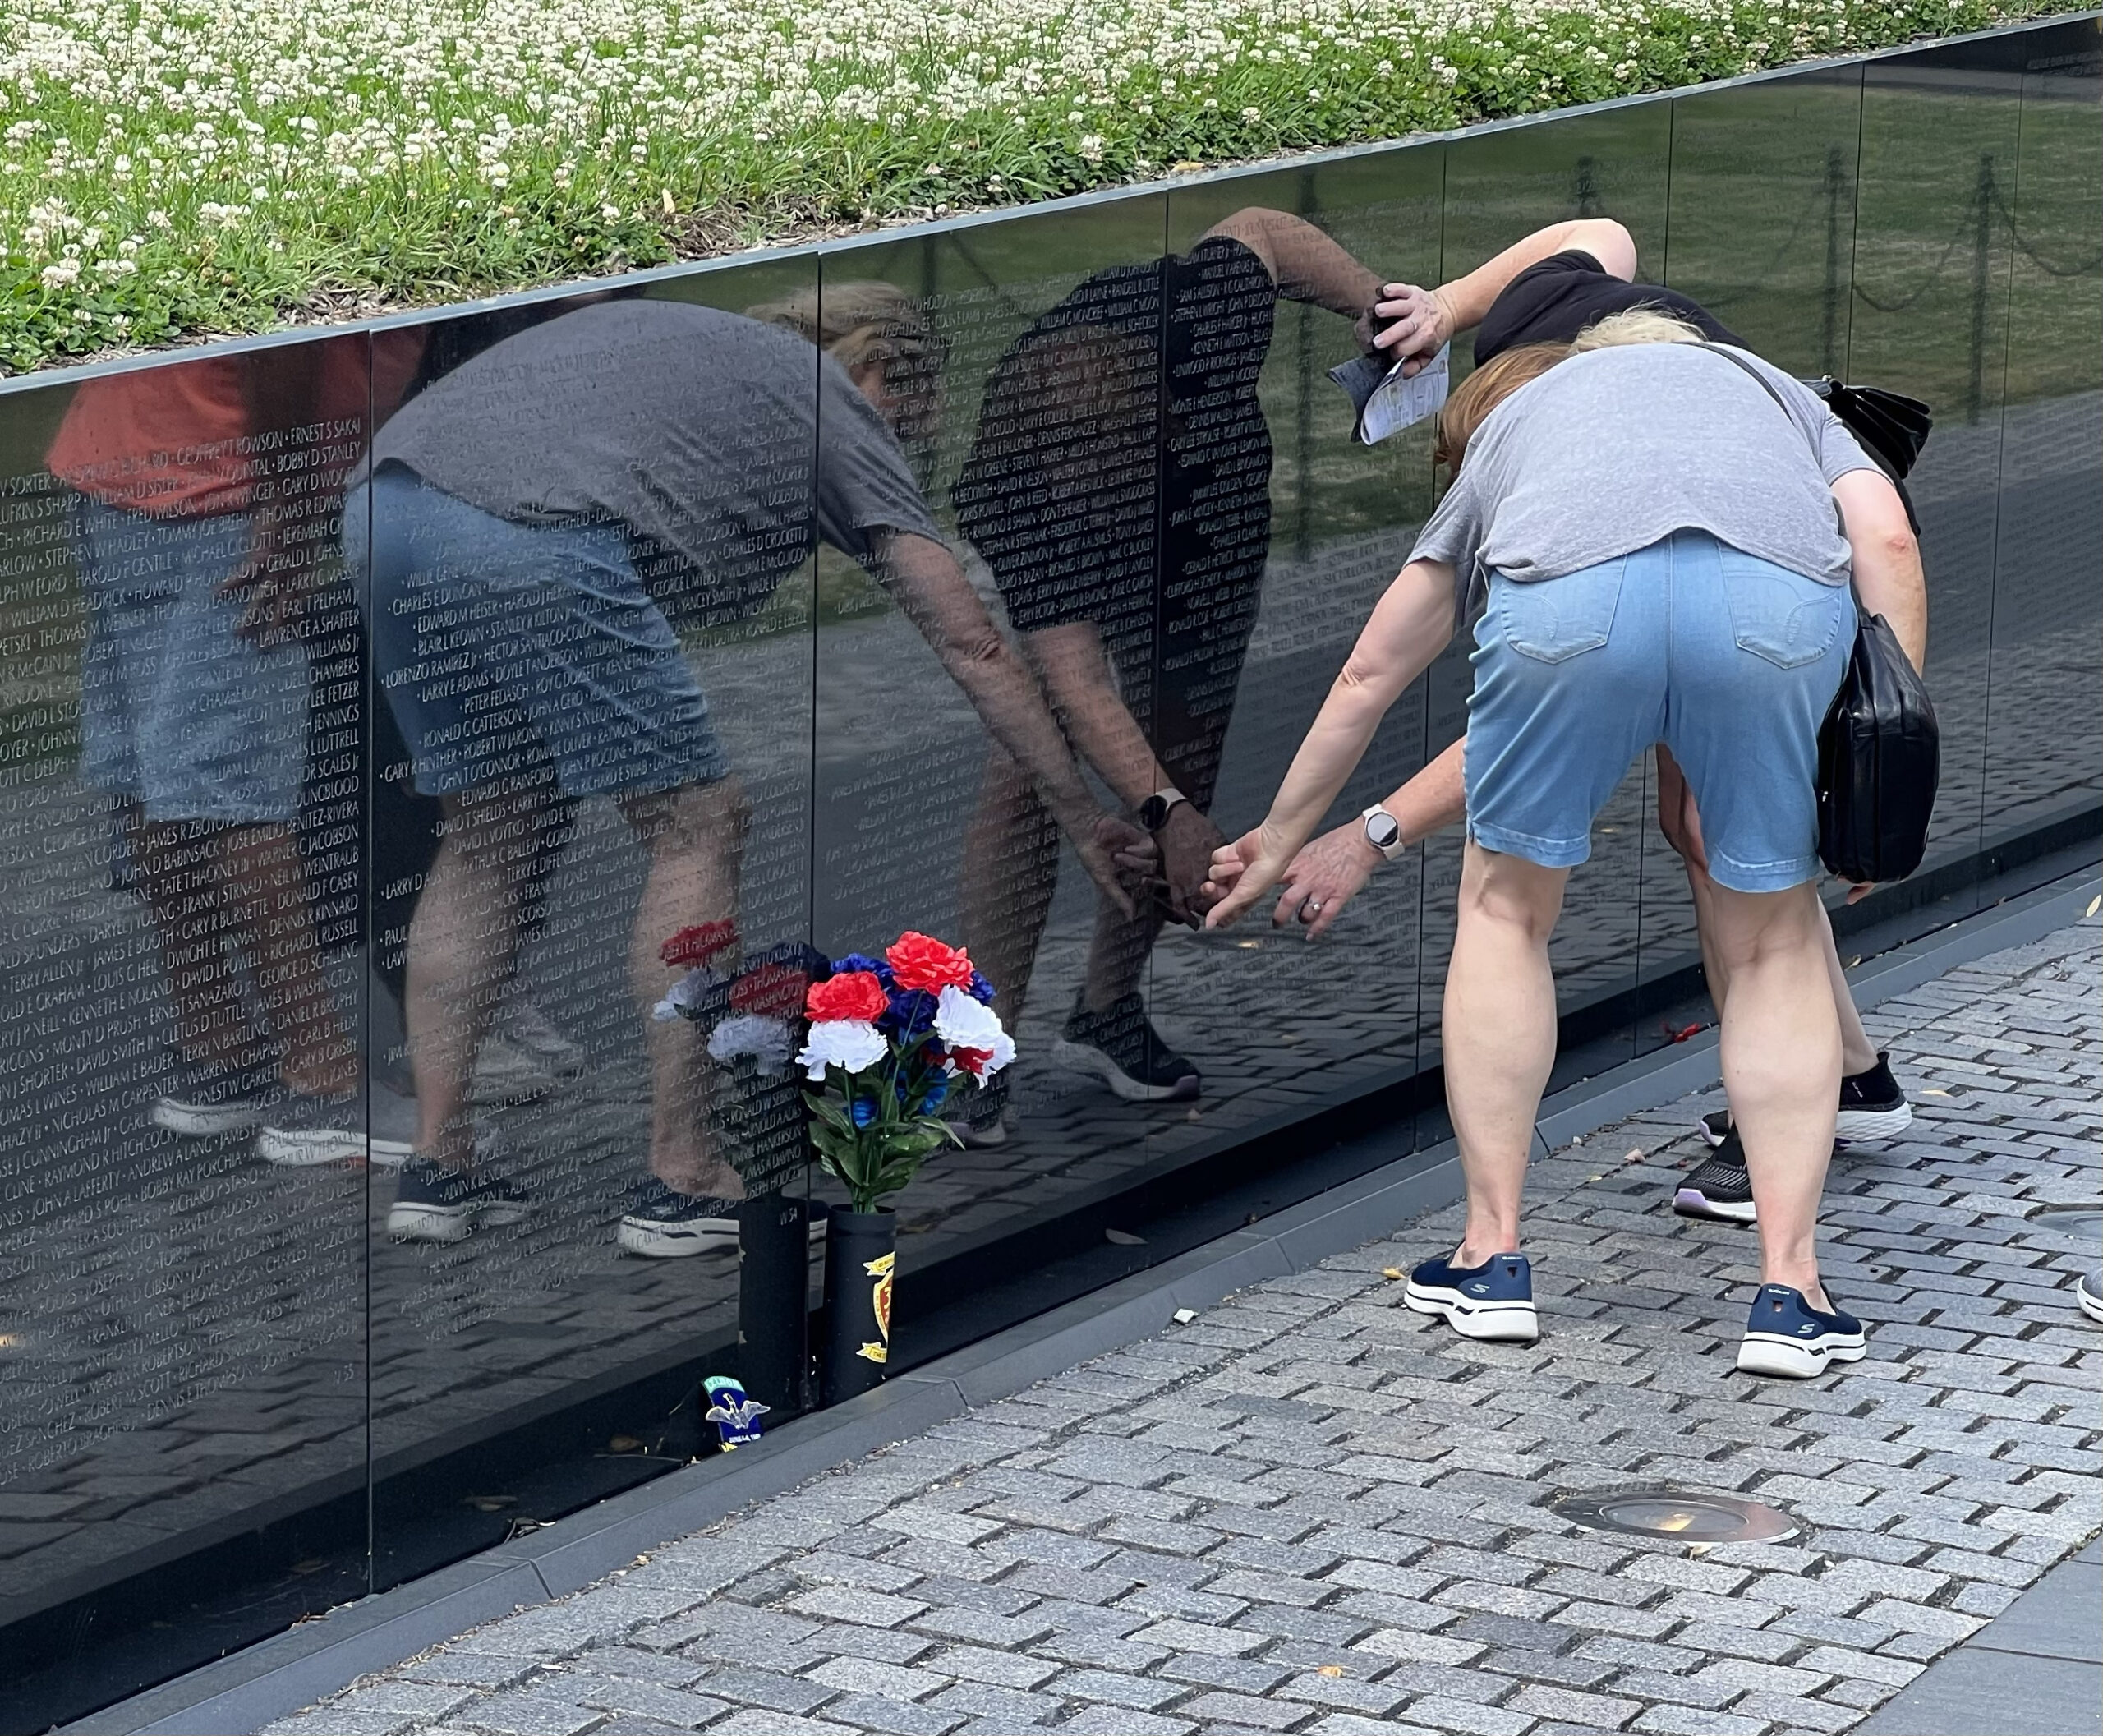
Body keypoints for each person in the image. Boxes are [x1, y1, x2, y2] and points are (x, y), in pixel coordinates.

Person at [1206, 310, 1924, 1379]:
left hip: (1569, 604)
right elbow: (1891, 542)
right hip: (1770, 613)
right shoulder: (1778, 390)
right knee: (1773, 943)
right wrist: (1886, 768)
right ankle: (1791, 1291)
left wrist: (1281, 832)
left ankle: (1491, 1259)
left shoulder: (1534, 409)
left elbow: (1373, 666)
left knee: (1505, 912)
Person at [352, 290, 1145, 1250]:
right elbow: (972, 643)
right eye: (913, 411)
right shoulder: (831, 400)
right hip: (530, 529)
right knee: (699, 822)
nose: (904, 439)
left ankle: (440, 1164)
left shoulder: (702, 354)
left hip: (382, 509)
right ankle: (683, 1178)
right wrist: (1077, 809)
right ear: (884, 373)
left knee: (486, 828)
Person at [951, 207, 1400, 1118]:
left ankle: (1107, 1011)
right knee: (1031, 764)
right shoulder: (1025, 493)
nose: (1088, 472)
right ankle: (975, 1049)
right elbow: (1074, 686)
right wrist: (1163, 811)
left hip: (1212, 516)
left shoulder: (1200, 318)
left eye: (1107, 452)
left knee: (1184, 747)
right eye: (1073, 456)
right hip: (1078, 538)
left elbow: (1264, 228)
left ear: (1159, 413)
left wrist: (1382, 310)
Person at [47, 348, 419, 1167]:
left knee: (160, 765)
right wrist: (286, 501)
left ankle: (214, 1048)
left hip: (129, 465)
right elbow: (278, 343)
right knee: (234, 783)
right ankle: (320, 1079)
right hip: (222, 488)